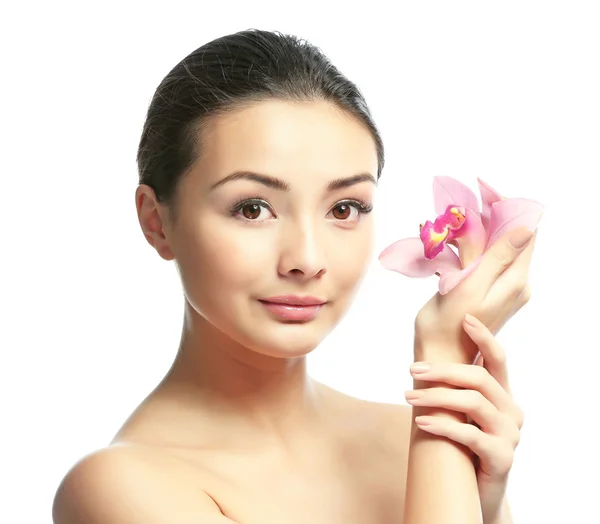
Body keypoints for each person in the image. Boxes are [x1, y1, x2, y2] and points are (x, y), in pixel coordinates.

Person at [52, 29, 536, 524]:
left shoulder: (408, 438)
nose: (307, 258)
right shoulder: (118, 490)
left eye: (344, 208)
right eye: (252, 208)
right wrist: (444, 360)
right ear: (157, 221)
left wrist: (486, 500)